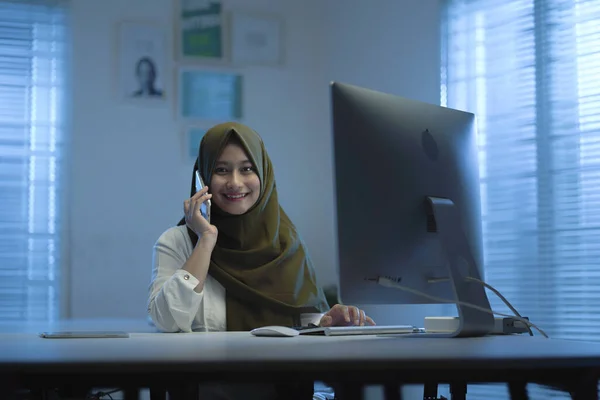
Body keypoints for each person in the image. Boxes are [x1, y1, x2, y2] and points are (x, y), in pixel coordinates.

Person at [147, 122, 375, 399]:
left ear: (263, 174)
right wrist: (205, 240)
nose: (234, 182)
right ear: (202, 178)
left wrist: (328, 323)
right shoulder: (178, 242)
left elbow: (301, 326)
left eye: (247, 168)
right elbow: (168, 321)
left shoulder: (286, 244)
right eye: (221, 169)